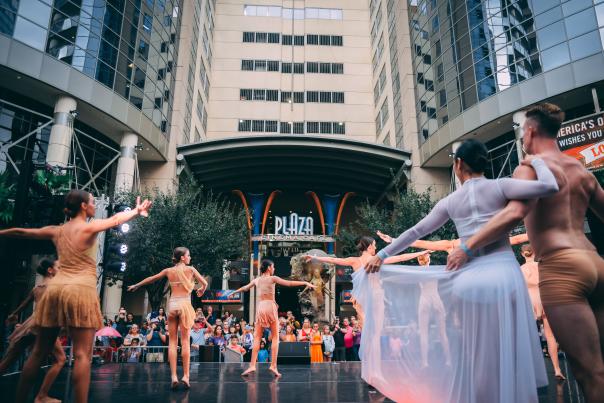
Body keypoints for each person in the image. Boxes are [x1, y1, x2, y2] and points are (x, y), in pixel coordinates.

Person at [360, 138, 559, 402]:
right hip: (504, 273)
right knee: (509, 346)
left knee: (476, 349)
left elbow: (416, 231)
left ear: (458, 164)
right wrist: (537, 161)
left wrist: (383, 255)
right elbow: (550, 186)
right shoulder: (501, 186)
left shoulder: (451, 201)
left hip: (469, 278)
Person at [446, 104, 604, 400]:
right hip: (595, 262)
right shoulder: (579, 168)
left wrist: (467, 246)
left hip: (562, 267)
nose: (522, 139)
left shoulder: (528, 167)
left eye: (522, 133)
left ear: (530, 131)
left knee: (588, 371)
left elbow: (514, 213)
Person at [0, 190, 151, 403]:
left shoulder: (57, 230)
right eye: (91, 202)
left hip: (55, 290)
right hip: (80, 290)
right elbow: (116, 219)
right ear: (83, 206)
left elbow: (23, 233)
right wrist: (136, 211)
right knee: (82, 355)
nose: (93, 205)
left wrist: (3, 232)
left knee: (37, 353)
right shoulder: (89, 226)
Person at [127, 247, 208, 389]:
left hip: (172, 306)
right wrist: (201, 289)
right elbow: (205, 283)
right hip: (184, 305)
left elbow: (152, 278)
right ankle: (186, 376)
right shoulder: (191, 270)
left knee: (172, 342)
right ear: (183, 257)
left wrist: (137, 285)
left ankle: (174, 376)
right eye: (188, 255)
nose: (190, 257)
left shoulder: (168, 271)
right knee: (184, 341)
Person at [305, 241, 430, 328]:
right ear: (369, 247)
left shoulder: (354, 261)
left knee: (364, 325)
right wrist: (419, 253)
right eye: (374, 246)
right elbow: (400, 257)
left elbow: (334, 260)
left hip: (361, 296)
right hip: (374, 295)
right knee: (374, 327)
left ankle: (367, 356)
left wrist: (316, 258)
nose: (375, 248)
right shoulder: (376, 259)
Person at [233, 259, 316, 377]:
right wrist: (305, 283)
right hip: (270, 306)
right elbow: (289, 283)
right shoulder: (273, 278)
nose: (274, 269)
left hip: (261, 307)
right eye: (273, 267)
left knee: (257, 337)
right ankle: (273, 365)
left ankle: (252, 365)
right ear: (268, 268)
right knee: (276, 337)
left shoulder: (257, 280)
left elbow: (245, 288)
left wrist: (233, 292)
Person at [0, 259, 66, 403]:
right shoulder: (55, 288)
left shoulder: (37, 288)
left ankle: (37, 396)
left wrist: (14, 315)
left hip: (30, 324)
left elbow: (24, 304)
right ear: (50, 270)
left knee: (8, 359)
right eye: (59, 267)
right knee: (60, 359)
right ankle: (42, 395)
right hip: (45, 326)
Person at [520, 244, 564, 380]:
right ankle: (557, 369)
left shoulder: (519, 269)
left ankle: (527, 375)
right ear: (535, 253)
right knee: (550, 337)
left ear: (522, 254)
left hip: (529, 302)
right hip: (544, 299)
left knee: (525, 338)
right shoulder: (541, 266)